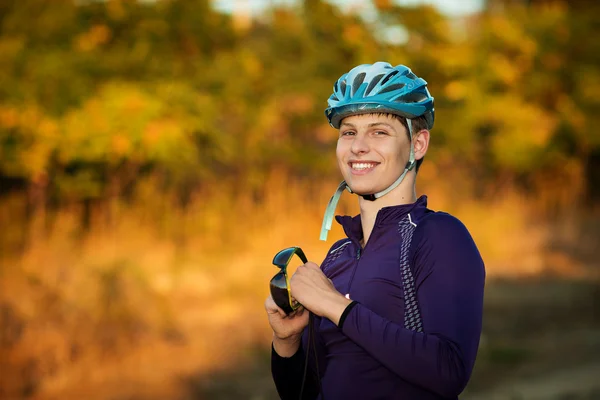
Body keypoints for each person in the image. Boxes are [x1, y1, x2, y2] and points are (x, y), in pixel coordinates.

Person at [264, 61, 485, 400]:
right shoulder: (340, 254)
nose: (358, 146)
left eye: (379, 132)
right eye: (348, 132)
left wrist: (336, 306)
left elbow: (450, 371)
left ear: (418, 144)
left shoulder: (438, 235)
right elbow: (305, 394)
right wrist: (286, 340)